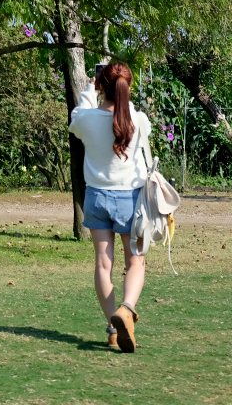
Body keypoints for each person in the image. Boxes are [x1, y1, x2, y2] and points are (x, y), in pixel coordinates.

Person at [69, 60, 153, 352]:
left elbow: (77, 117)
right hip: (130, 199)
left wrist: (89, 92)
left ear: (100, 85)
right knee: (136, 262)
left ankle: (112, 327)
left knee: (104, 265)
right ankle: (126, 310)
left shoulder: (87, 119)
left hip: (96, 197)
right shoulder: (138, 118)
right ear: (127, 87)